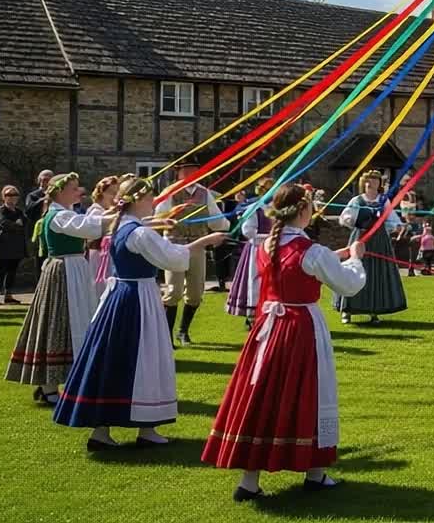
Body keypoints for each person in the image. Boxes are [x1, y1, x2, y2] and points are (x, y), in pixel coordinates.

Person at [202, 183, 367, 501]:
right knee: (311, 393)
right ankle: (315, 473)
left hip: (269, 329)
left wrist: (338, 256)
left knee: (263, 394)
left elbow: (299, 264)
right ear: (303, 211)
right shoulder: (311, 251)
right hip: (302, 329)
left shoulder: (266, 246)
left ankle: (250, 481)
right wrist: (357, 259)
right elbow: (347, 285)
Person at [53, 177, 226, 450]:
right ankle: (146, 428)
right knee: (145, 358)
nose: (153, 204)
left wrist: (165, 222)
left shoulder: (122, 224)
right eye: (150, 199)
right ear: (138, 200)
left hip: (120, 297)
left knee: (114, 359)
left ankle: (106, 430)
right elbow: (170, 257)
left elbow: (149, 235)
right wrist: (204, 241)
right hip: (138, 298)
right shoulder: (138, 232)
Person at [5, 173, 107, 406]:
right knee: (58, 323)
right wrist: (119, 215)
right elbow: (89, 229)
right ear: (60, 192)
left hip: (73, 268)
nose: (79, 191)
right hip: (64, 272)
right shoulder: (59, 215)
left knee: (74, 321)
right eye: (73, 188)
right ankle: (49, 385)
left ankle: (58, 383)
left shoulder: (64, 213)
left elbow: (89, 225)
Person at [156, 161, 230, 346]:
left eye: (196, 172)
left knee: (196, 293)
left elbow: (216, 220)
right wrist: (171, 218)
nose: (192, 175)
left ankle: (183, 331)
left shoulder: (205, 193)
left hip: (198, 246)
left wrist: (227, 226)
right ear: (179, 173)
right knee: (174, 292)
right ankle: (167, 336)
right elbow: (158, 217)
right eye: (187, 171)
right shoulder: (169, 192)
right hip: (174, 245)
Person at [336, 171, 406, 325]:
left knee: (376, 273)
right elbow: (344, 217)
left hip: (379, 242)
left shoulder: (384, 200)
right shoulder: (357, 200)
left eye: (374, 180)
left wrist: (398, 225)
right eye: (368, 180)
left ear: (379, 184)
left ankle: (374, 311)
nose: (371, 183)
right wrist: (356, 220)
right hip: (360, 239)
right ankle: (347, 310)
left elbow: (392, 218)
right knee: (353, 269)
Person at [226, 180, 275, 330]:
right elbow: (248, 232)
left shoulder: (277, 208)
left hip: (274, 250)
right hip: (256, 250)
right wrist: (269, 237)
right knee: (255, 281)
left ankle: (270, 315)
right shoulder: (255, 208)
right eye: (268, 190)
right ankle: (253, 316)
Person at [86, 176, 121, 301]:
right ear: (102, 192)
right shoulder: (95, 210)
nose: (115, 196)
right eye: (112, 192)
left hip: (108, 256)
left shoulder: (108, 210)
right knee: (99, 288)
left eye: (117, 192)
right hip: (98, 255)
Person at [0, 185, 27, 305]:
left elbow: (25, 224)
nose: (11, 197)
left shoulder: (19, 211)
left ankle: (8, 295)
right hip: (3, 246)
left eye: (14, 195)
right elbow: (3, 223)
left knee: (12, 271)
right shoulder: (0, 210)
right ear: (3, 197)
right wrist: (17, 225)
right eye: (8, 195)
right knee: (1, 271)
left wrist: (16, 225)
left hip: (16, 246)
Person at [25, 169, 54, 271]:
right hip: (38, 233)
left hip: (53, 231)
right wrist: (43, 199)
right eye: (43, 179)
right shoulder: (33, 195)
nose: (44, 182)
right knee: (40, 259)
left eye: (47, 180)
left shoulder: (56, 195)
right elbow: (28, 210)